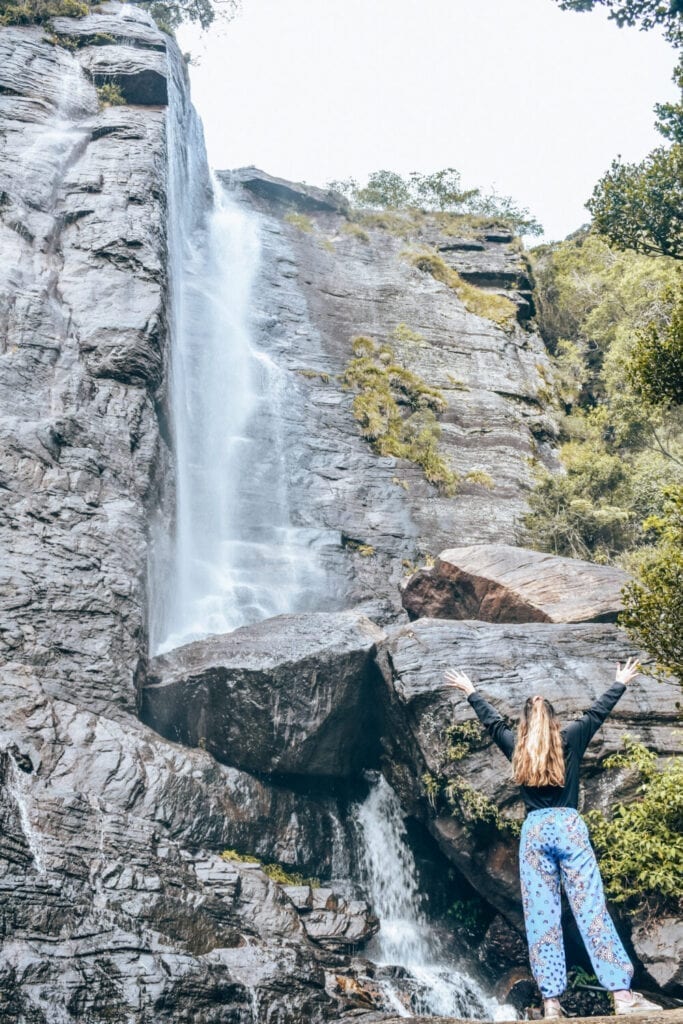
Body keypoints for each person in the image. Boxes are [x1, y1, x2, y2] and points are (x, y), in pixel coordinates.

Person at [443, 657, 660, 1019]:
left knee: (542, 918)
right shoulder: (571, 738)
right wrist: (620, 681)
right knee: (591, 911)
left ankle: (551, 1004)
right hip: (568, 826)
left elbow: (492, 722)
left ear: (525, 721)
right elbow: (597, 713)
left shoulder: (516, 746)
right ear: (555, 719)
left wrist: (471, 692)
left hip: (535, 831)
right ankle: (622, 996)